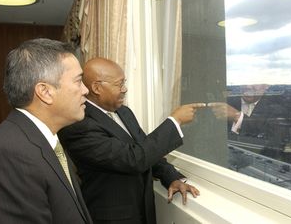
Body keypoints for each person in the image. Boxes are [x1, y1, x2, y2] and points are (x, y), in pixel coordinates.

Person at [58, 57, 206, 224]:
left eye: (124, 82)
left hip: (143, 212)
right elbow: (133, 159)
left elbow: (147, 149)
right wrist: (174, 121)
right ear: (96, 88)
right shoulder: (79, 124)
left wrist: (171, 177)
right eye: (119, 84)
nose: (124, 89)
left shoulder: (124, 112)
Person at [0, 38, 92, 224]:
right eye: (78, 81)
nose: (86, 90)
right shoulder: (9, 152)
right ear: (45, 92)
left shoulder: (44, 138)